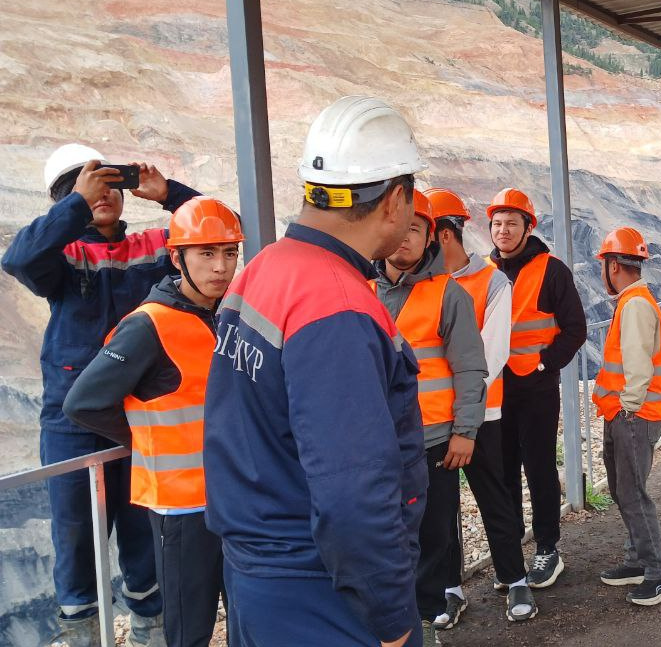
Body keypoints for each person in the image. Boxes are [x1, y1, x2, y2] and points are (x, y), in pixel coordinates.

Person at [203, 96, 427, 647]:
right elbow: (353, 493)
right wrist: (391, 617)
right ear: (395, 200)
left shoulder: (265, 268)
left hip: (257, 578)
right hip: (321, 595)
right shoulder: (336, 306)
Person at [3, 144, 199, 645]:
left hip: (140, 414)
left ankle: (149, 629)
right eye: (85, 186)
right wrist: (76, 205)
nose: (101, 194)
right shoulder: (60, 256)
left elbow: (216, 232)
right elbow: (18, 259)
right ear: (62, 199)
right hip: (71, 422)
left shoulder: (152, 247)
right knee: (74, 536)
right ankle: (82, 633)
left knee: (142, 531)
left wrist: (169, 193)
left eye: (109, 183)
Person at [63, 197, 243, 647]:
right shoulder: (148, 326)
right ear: (177, 258)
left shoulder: (226, 314)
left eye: (229, 252)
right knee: (190, 629)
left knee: (246, 617)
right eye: (206, 253)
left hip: (235, 495)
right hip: (182, 507)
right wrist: (142, 439)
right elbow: (83, 402)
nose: (220, 266)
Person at [372, 189, 490, 645]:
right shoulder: (361, 292)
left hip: (434, 442)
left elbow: (470, 367)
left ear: (429, 238)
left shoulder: (449, 295)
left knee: (433, 534)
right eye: (398, 228)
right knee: (384, 534)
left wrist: (465, 431)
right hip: (375, 442)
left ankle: (423, 621)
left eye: (415, 229)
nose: (404, 238)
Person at [422, 187, 533, 628]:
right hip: (435, 419)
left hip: (481, 415)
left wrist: (462, 406)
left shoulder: (492, 282)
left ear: (443, 235)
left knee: (494, 498)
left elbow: (492, 353)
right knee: (440, 509)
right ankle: (449, 589)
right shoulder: (425, 287)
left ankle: (514, 578)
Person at [487, 188, 587, 588]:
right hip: (496, 389)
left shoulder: (552, 270)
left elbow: (575, 329)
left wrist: (544, 363)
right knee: (503, 470)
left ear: (528, 227)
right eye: (497, 223)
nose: (503, 230)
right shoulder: (484, 272)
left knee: (539, 466)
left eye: (512, 223)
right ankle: (511, 554)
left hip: (536, 389)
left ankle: (548, 548)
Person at [592, 227, 661, 607]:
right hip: (627, 413)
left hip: (633, 415)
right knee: (624, 490)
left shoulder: (635, 305)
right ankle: (637, 561)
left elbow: (638, 367)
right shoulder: (633, 302)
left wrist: (627, 409)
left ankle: (659, 574)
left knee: (632, 494)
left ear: (612, 266)